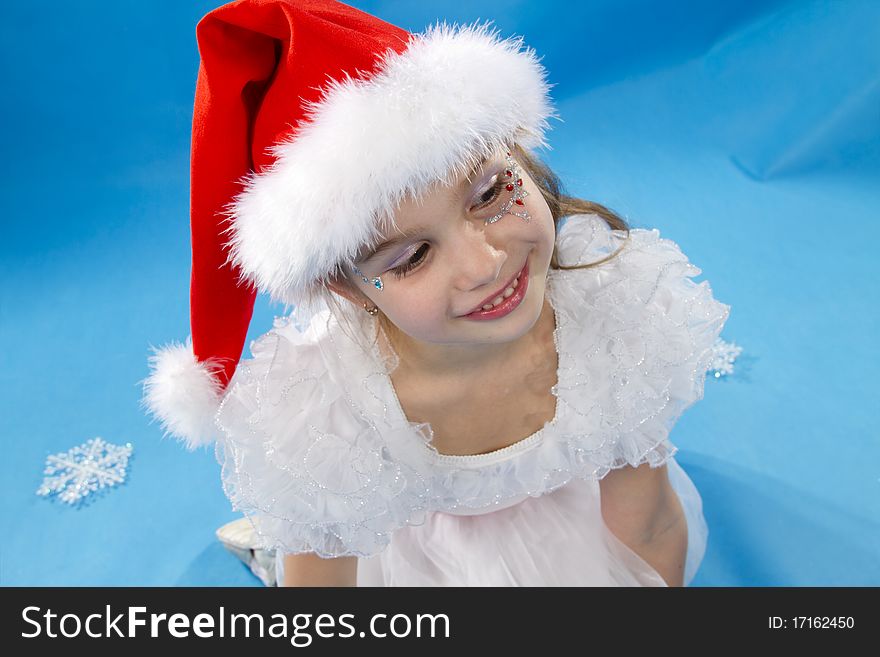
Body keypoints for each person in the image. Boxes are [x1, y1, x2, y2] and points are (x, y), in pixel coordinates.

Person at [143, 0, 730, 587]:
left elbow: (648, 524)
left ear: (518, 157)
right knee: (322, 527)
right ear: (347, 292)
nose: (486, 264)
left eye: (490, 193)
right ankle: (284, 537)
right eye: (413, 256)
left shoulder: (609, 311)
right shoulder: (330, 415)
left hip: (564, 509)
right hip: (412, 547)